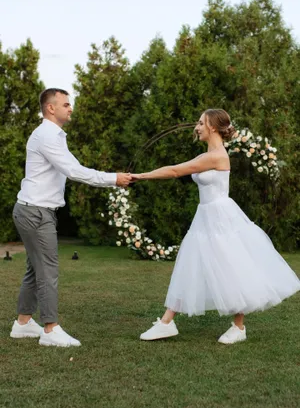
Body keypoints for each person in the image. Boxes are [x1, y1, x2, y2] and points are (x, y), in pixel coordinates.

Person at [132, 109, 300, 344]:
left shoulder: (216, 156)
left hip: (221, 217)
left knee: (229, 266)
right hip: (205, 215)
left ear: (212, 126)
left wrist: (140, 176)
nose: (197, 127)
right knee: (191, 263)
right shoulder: (209, 154)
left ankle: (236, 327)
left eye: (201, 123)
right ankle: (167, 322)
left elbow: (175, 171)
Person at [10, 88, 131, 347]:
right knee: (47, 270)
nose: (70, 108)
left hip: (34, 210)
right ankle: (51, 329)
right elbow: (74, 171)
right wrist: (113, 179)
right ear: (50, 108)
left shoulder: (53, 136)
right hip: (35, 212)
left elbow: (73, 167)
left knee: (35, 268)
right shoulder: (47, 135)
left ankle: (22, 323)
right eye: (66, 104)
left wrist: (113, 178)